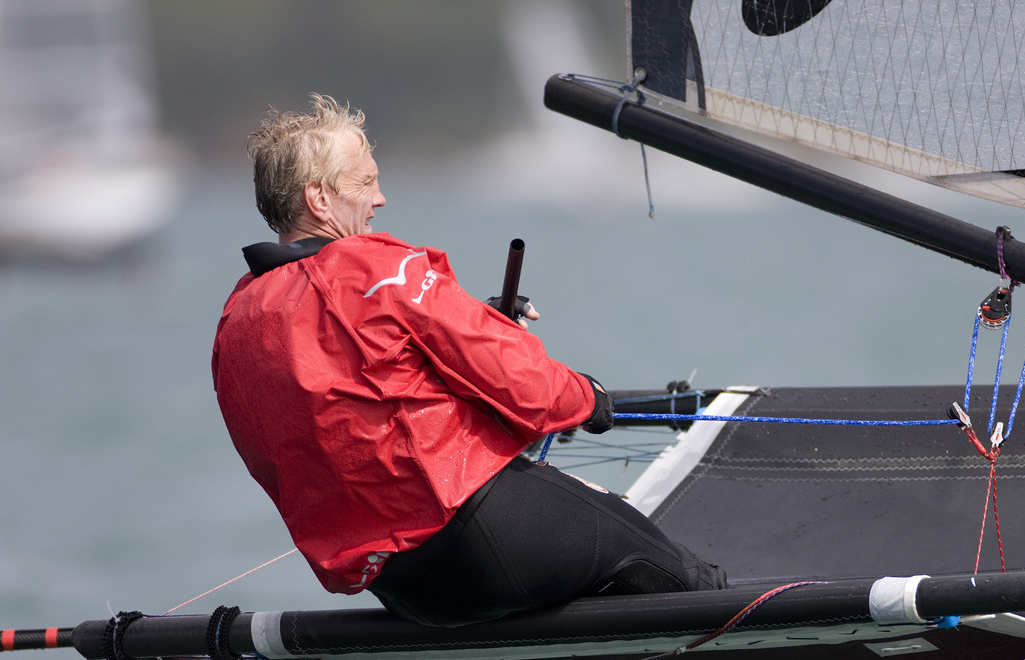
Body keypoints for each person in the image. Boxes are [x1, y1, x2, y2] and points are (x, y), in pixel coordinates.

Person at [212, 95, 725, 626]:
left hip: (400, 589)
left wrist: (473, 319)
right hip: (475, 540)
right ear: (318, 199)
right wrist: (589, 398)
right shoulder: (375, 270)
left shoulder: (239, 319)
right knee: (674, 572)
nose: (380, 198)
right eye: (365, 183)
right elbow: (529, 387)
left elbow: (350, 388)